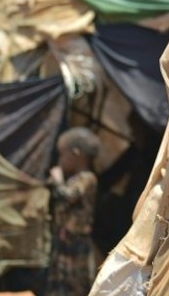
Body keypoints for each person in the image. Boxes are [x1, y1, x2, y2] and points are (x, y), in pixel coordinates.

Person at [45, 127, 100, 296]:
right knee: (58, 283)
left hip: (75, 244)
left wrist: (58, 181)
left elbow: (70, 196)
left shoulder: (87, 178)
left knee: (73, 284)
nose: (60, 160)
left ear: (76, 154)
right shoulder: (74, 179)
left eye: (63, 154)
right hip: (63, 241)